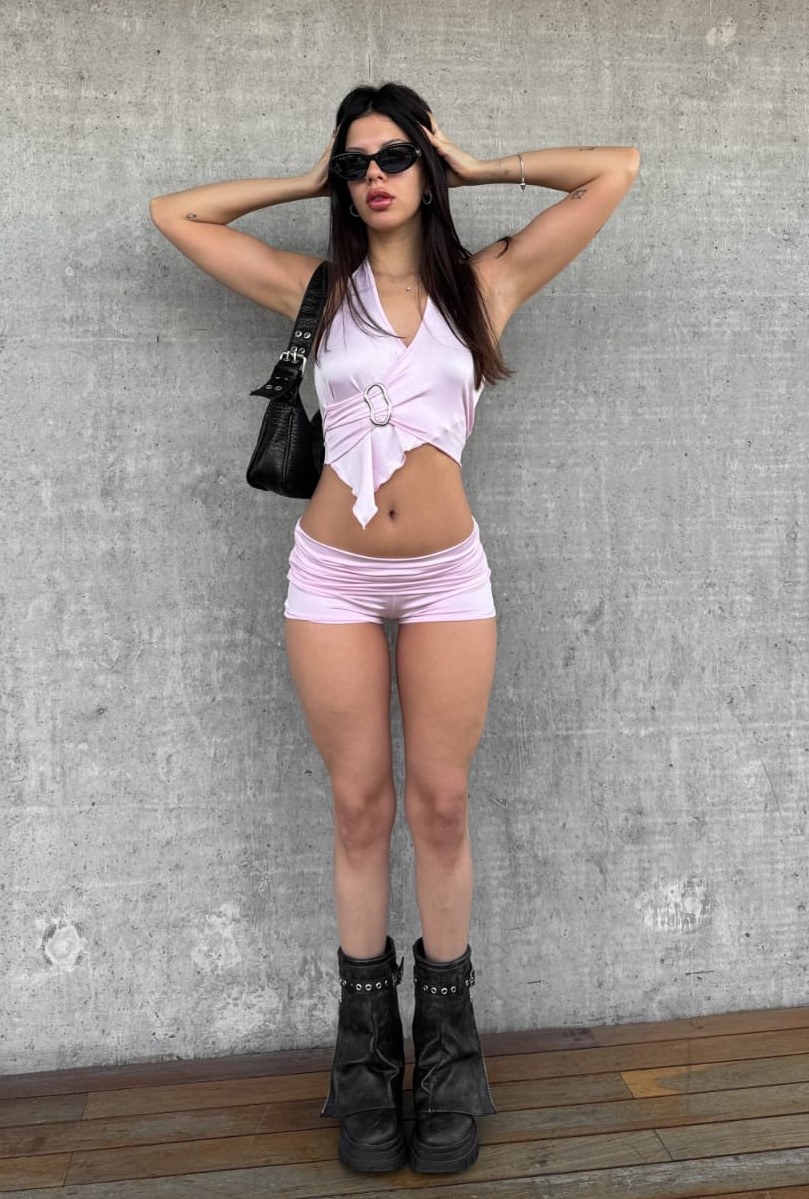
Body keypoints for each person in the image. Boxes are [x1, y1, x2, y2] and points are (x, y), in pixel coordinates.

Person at [150, 81, 639, 1176]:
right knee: (360, 804)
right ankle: (366, 1060)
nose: (373, 176)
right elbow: (175, 215)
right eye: (355, 162)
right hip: (331, 577)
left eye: (393, 156)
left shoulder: (486, 283)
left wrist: (484, 164)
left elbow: (616, 171)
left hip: (444, 579)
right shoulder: (316, 288)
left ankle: (451, 1058)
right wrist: (304, 176)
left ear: (426, 164)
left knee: (442, 805)